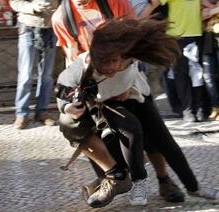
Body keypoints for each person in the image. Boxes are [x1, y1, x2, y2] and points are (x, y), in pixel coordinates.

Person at [51, 0, 219, 204]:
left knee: (157, 135)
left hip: (128, 77)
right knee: (103, 132)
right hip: (97, 89)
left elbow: (137, 41)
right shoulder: (62, 17)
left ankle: (167, 180)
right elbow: (71, 58)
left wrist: (125, 76)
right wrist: (77, 97)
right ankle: (116, 178)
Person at [56, 19, 156, 207]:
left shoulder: (129, 59)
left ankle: (138, 180)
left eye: (114, 61)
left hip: (119, 104)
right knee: (68, 123)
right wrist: (68, 107)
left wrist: (129, 87)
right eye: (104, 63)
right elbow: (62, 87)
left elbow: (135, 70)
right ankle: (113, 176)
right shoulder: (83, 66)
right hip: (92, 107)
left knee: (132, 128)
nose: (110, 67)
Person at [141, 0, 206, 122]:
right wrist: (136, 21)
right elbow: (153, 4)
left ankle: (199, 108)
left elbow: (203, 7)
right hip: (177, 37)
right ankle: (187, 110)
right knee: (180, 75)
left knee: (197, 74)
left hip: (196, 35)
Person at [9, 0, 62, 129]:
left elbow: (64, 1)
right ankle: (21, 113)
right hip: (28, 28)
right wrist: (32, 6)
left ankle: (42, 112)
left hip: (50, 29)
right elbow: (14, 1)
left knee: (47, 75)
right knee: (25, 74)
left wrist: (58, 12)